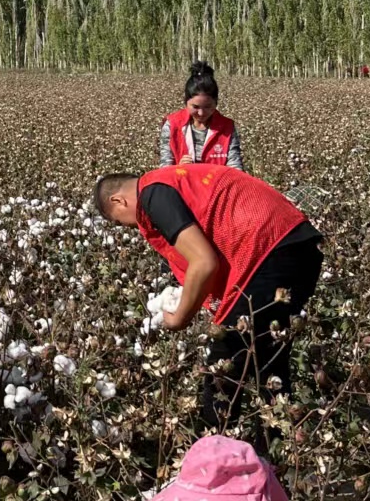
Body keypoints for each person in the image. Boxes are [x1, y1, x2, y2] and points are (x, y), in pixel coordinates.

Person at [94, 163, 322, 431]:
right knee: (267, 361)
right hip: (298, 245)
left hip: (268, 249)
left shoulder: (152, 194)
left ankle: (213, 455)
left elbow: (203, 262)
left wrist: (179, 318)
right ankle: (280, 452)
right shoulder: (175, 180)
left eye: (122, 222)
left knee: (222, 367)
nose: (134, 228)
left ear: (118, 200)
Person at [159, 62, 244, 170]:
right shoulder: (172, 124)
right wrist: (178, 169)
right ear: (186, 101)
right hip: (181, 183)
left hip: (217, 184)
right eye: (195, 107)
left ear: (216, 102)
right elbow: (165, 168)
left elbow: (235, 168)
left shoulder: (227, 127)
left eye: (208, 107)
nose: (201, 113)